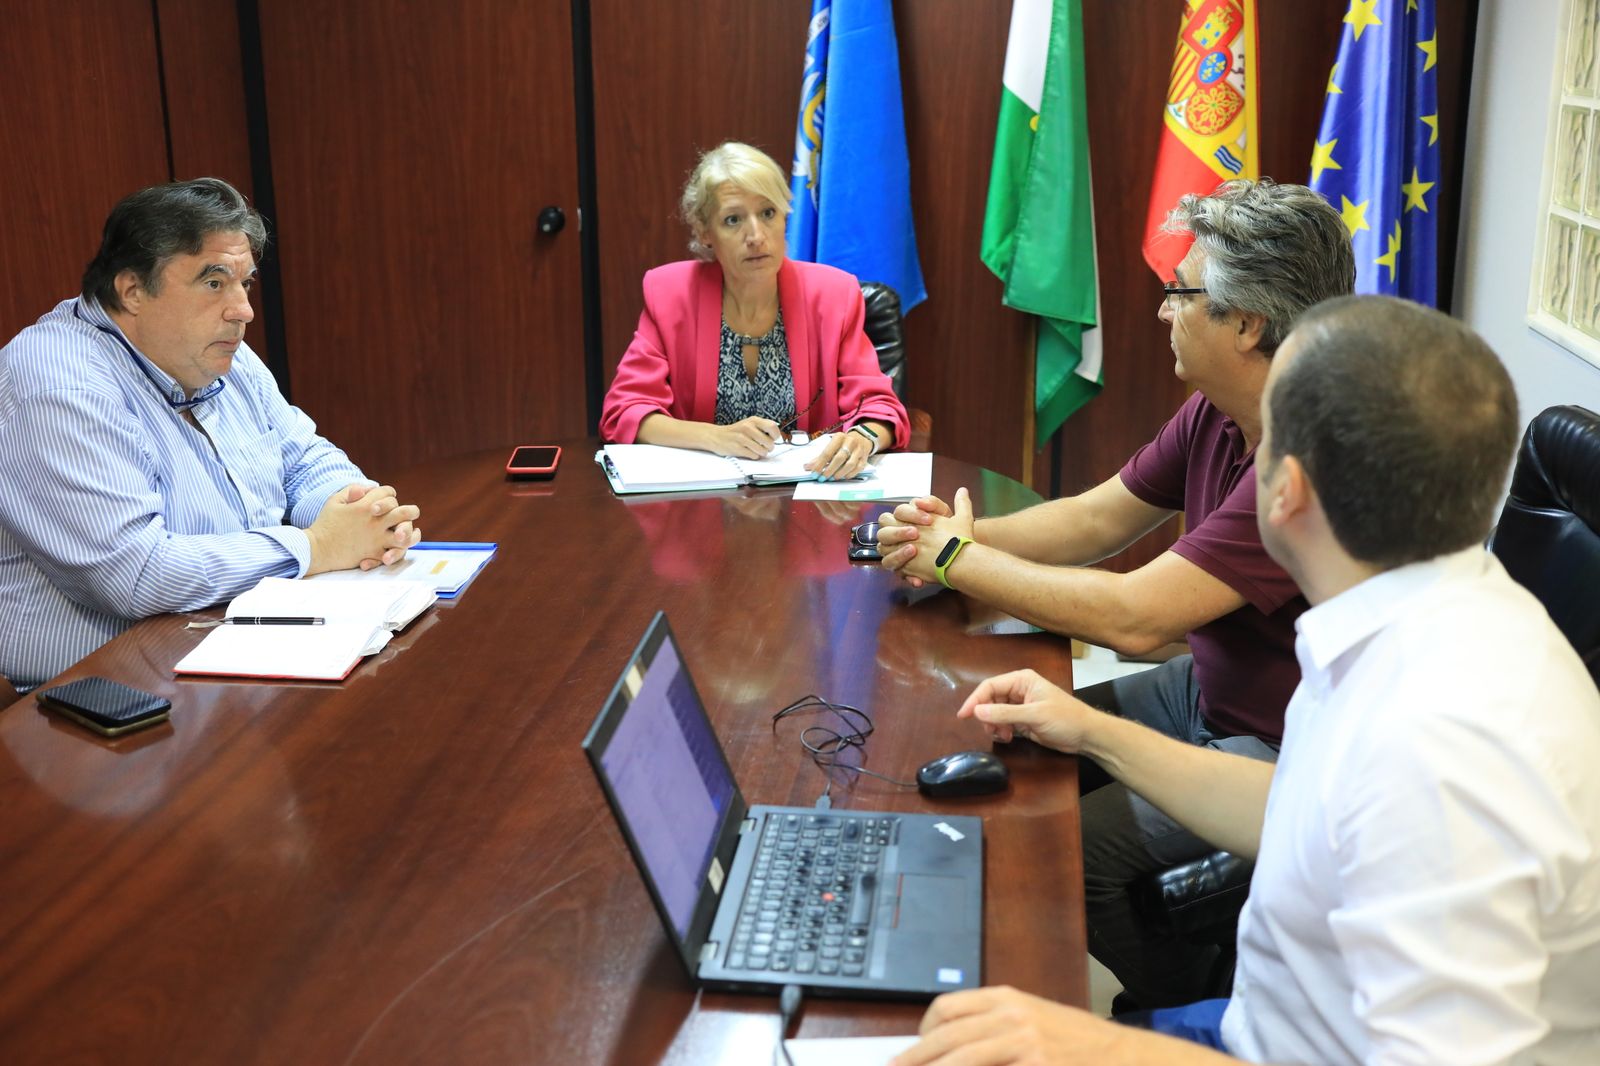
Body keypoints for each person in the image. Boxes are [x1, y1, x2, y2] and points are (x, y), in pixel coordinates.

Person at [892, 297, 1600, 1065]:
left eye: (1263, 438)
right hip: (1267, 1024)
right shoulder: (1413, 612)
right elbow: (1304, 811)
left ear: (1285, 489)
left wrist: (1100, 1048)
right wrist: (1096, 732)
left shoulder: (1441, 749)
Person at [877, 178, 1355, 1006]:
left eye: (1181, 294)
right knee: (1015, 748)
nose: (1164, 311)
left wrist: (957, 562)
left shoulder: (1304, 452)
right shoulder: (1217, 408)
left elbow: (1139, 618)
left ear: (1246, 323)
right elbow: (1095, 519)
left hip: (1281, 747)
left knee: (1079, 858)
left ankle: (1173, 1021)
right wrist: (952, 539)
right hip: (1204, 688)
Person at [0, 178, 421, 691]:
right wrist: (316, 546)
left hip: (234, 650)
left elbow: (302, 456)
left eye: (246, 283)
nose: (242, 309)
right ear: (132, 290)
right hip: (98, 700)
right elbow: (136, 574)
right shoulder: (57, 381)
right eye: (214, 282)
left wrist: (360, 513)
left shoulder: (222, 353)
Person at [599, 141, 908, 481]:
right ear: (705, 232)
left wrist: (863, 438)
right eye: (733, 219)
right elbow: (624, 411)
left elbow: (881, 408)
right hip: (699, 504)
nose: (757, 236)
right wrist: (715, 437)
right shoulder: (671, 295)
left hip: (811, 500)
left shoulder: (833, 296)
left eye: (768, 213)